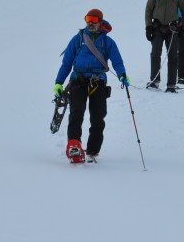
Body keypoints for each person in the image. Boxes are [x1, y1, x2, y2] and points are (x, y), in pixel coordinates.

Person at [52, 9, 129, 163]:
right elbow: (66, 63)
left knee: (98, 116)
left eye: (94, 19)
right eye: (88, 18)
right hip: (78, 81)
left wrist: (122, 74)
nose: (90, 22)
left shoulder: (108, 42)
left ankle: (93, 151)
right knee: (76, 112)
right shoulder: (77, 39)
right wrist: (58, 83)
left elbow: (117, 60)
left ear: (100, 22)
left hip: (98, 81)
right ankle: (74, 145)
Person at [144, 0, 184, 92]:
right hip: (157, 28)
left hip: (172, 29)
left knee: (173, 56)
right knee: (155, 54)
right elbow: (148, 10)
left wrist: (183, 26)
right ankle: (154, 81)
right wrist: (148, 27)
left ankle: (171, 84)